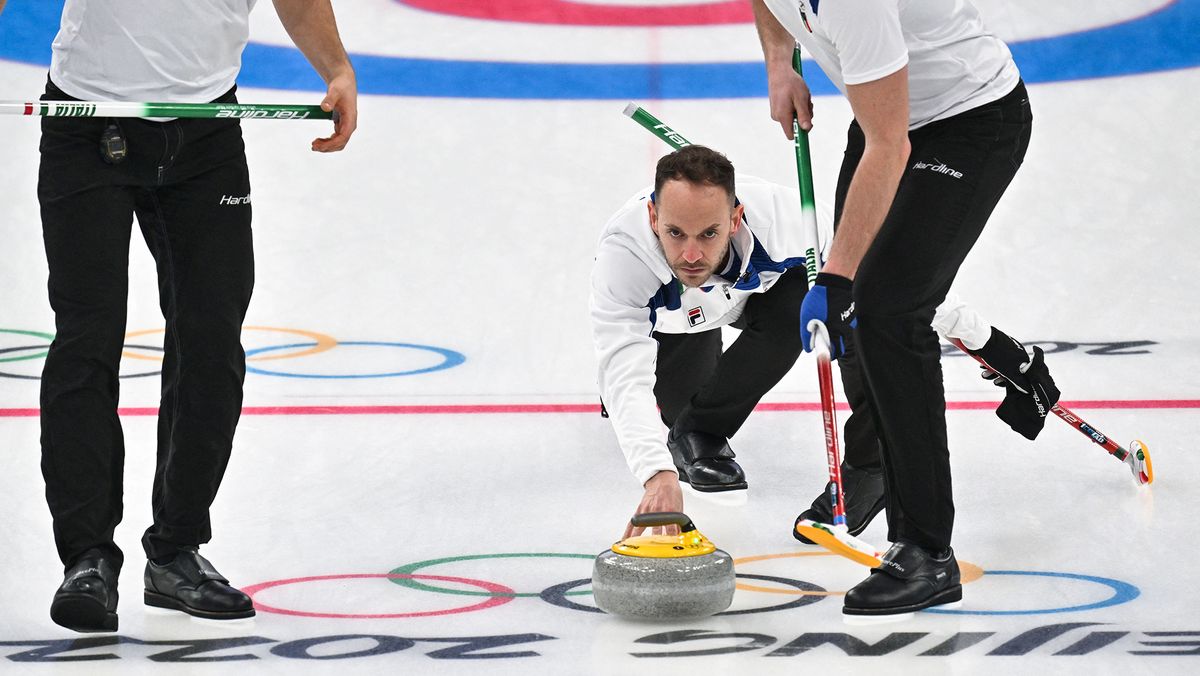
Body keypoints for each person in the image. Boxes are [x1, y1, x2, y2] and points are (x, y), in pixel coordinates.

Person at [23, 0, 358, 632]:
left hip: (206, 132)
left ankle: (175, 552)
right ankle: (87, 558)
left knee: (212, 341)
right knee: (86, 339)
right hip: (88, 124)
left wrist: (335, 66)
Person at [751, 0, 1054, 616]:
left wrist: (837, 278)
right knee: (862, 310)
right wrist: (780, 63)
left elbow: (890, 145)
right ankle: (873, 465)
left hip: (969, 125)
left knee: (887, 312)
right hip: (885, 117)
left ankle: (926, 551)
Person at [589, 146, 1055, 545]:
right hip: (676, 323)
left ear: (736, 218)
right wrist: (657, 473)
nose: (691, 254)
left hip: (761, 298)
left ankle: (863, 468)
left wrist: (988, 341)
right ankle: (686, 425)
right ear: (652, 216)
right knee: (664, 408)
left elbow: (895, 289)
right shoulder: (624, 255)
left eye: (708, 233)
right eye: (675, 233)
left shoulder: (789, 222)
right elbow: (623, 367)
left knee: (852, 306)